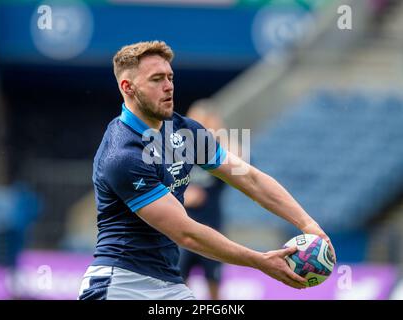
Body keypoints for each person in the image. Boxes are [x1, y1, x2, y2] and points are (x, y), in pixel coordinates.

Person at [78, 40, 336, 300]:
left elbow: (250, 179)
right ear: (128, 87)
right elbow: (186, 233)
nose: (168, 86)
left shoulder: (184, 131)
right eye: (156, 79)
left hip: (167, 283)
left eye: (170, 77)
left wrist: (308, 224)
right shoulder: (123, 154)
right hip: (121, 284)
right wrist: (261, 261)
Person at [179, 100, 226, 300]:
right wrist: (183, 196)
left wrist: (218, 134)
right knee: (178, 286)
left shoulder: (218, 153)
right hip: (181, 230)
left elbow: (245, 163)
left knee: (214, 285)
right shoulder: (179, 151)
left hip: (211, 229)